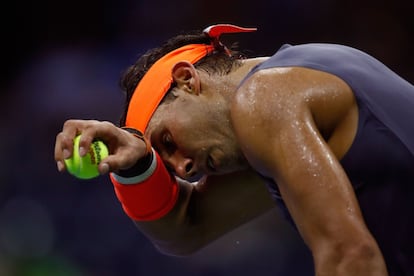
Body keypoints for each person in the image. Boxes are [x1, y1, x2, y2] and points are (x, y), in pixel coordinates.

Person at [54, 24, 414, 275]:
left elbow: (350, 257)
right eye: (170, 164)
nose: (184, 170)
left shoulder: (263, 99)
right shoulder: (299, 82)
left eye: (168, 141)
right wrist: (138, 167)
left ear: (187, 80)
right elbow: (189, 229)